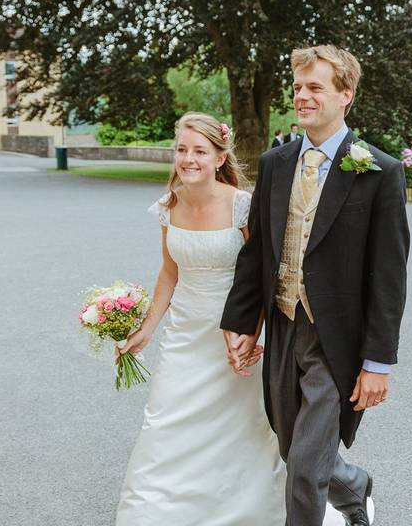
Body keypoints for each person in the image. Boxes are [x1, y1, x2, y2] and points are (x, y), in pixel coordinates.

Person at [114, 112, 344, 525]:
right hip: (185, 337)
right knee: (165, 422)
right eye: (182, 150)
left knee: (243, 430)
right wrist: (146, 330)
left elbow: (261, 272)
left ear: (220, 157)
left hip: (236, 334)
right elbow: (169, 272)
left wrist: (251, 332)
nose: (189, 159)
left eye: (200, 151)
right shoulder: (169, 205)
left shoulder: (243, 205)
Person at [222, 45, 410, 526]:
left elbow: (389, 277)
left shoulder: (379, 172)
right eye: (297, 88)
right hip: (285, 326)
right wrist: (244, 322)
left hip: (338, 340)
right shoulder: (275, 163)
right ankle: (353, 483)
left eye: (315, 87)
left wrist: (378, 363)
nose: (301, 96)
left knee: (305, 469)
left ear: (345, 94)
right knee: (293, 447)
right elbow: (258, 250)